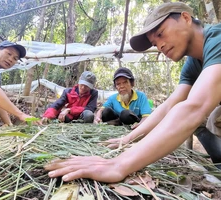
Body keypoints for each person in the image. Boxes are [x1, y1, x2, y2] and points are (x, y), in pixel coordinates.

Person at [44, 2, 221, 183]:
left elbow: (193, 108)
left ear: (185, 18)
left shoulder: (217, 40)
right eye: (155, 42)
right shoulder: (192, 63)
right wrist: (128, 138)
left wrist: (118, 164)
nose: (159, 46)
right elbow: (170, 105)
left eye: (161, 34)